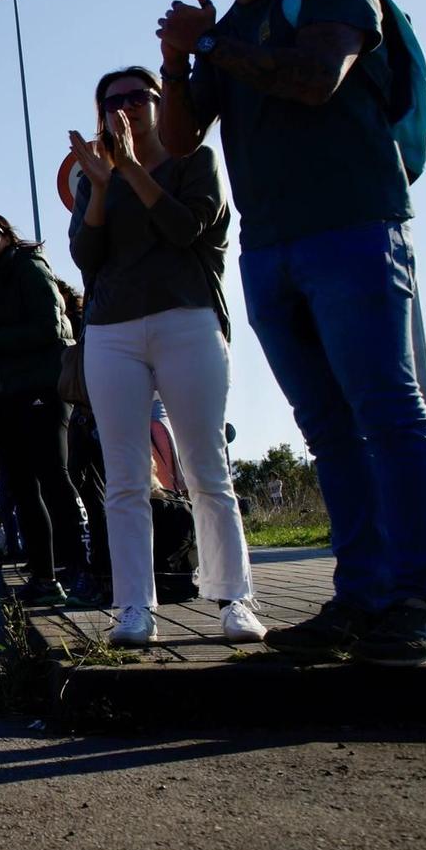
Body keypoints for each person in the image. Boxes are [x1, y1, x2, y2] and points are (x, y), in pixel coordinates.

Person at [155, 0, 426, 666]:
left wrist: (213, 44)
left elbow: (318, 77)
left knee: (390, 412)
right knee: (328, 430)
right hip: (272, 247)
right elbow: (184, 139)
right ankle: (362, 595)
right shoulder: (226, 29)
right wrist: (176, 57)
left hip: (354, 225)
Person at [68, 66, 264, 647]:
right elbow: (86, 254)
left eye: (137, 97)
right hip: (112, 331)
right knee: (125, 477)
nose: (125, 108)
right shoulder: (92, 177)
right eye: (112, 102)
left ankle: (235, 599)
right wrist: (103, 187)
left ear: (159, 103)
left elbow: (185, 229)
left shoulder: (193, 160)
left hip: (186, 320)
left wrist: (131, 169)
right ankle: (133, 607)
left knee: (206, 467)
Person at [0, 211, 84, 605]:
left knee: (53, 475)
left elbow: (53, 327)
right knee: (22, 486)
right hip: (8, 389)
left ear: (6, 235)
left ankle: (81, 573)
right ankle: (45, 579)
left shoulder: (29, 268)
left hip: (44, 384)